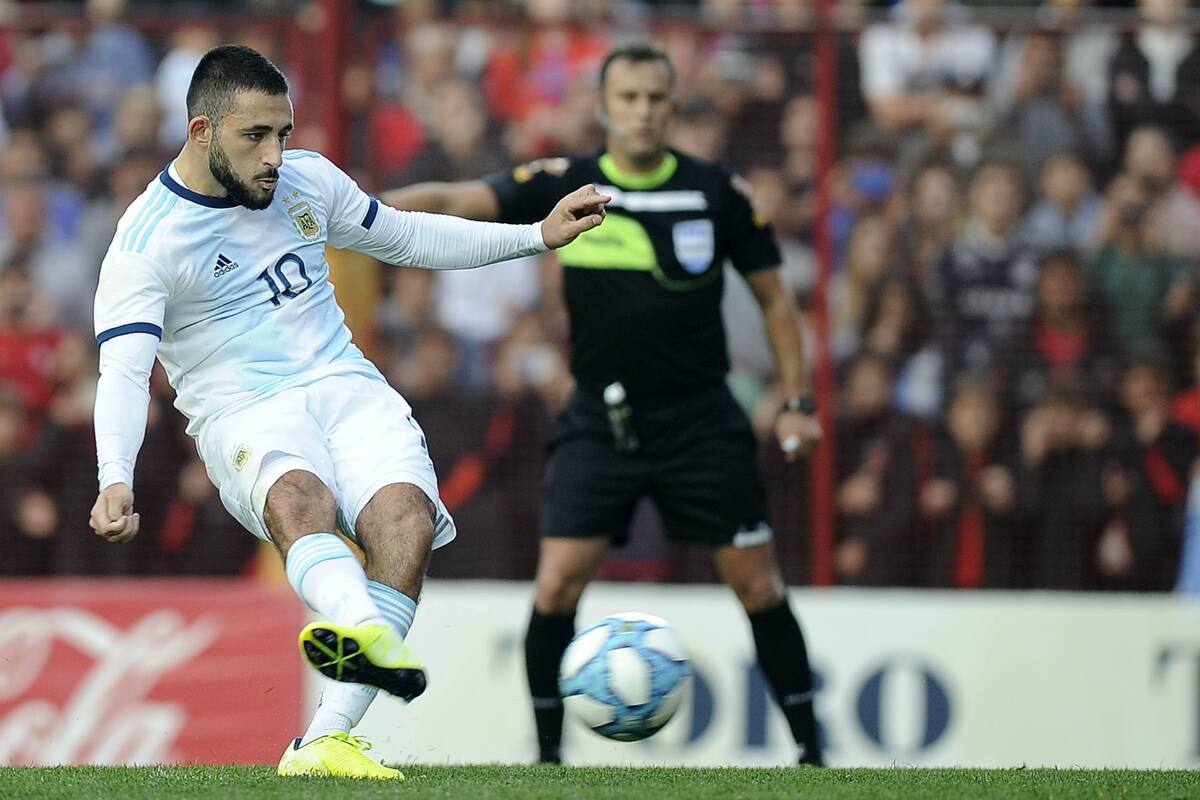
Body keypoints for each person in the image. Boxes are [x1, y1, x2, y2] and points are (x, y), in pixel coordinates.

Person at [88, 45, 608, 780]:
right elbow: (123, 371)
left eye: (283, 133)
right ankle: (364, 628)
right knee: (303, 499)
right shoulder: (146, 243)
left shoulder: (307, 182)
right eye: (255, 136)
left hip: (345, 384)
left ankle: (325, 740)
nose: (274, 155)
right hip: (245, 411)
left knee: (407, 521)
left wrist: (536, 237)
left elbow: (405, 236)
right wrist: (116, 476)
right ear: (201, 131)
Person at [383, 41, 825, 766]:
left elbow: (777, 302)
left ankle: (813, 753)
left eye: (656, 99)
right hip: (601, 422)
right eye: (629, 99)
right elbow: (459, 201)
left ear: (672, 107)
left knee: (759, 583)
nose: (643, 112)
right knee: (556, 584)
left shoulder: (717, 193)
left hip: (701, 422)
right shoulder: (568, 184)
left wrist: (798, 400)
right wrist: (354, 210)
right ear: (604, 108)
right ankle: (548, 758)